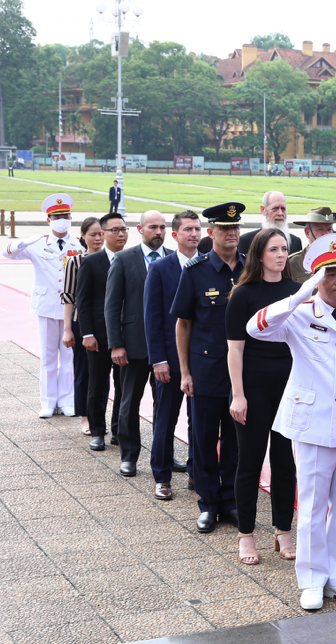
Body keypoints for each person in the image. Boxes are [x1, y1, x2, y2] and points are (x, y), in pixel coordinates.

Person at [247, 233, 336, 610]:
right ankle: (311, 580)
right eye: (331, 274)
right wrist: (298, 295)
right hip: (312, 422)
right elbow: (255, 328)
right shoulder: (298, 314)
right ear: (315, 278)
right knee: (311, 505)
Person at [226, 229, 300, 565]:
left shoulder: (295, 292)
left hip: (289, 386)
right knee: (251, 461)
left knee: (285, 463)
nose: (282, 254)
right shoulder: (243, 295)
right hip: (253, 387)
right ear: (259, 255)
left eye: (285, 249)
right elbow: (235, 351)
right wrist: (238, 395)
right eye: (274, 249)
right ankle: (245, 535)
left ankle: (283, 530)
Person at [172, 202, 245, 533]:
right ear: (211, 232)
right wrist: (185, 372)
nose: (231, 234)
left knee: (235, 441)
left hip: (241, 375)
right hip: (205, 371)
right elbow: (183, 324)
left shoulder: (250, 271)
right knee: (202, 441)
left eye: (235, 228)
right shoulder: (195, 270)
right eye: (225, 229)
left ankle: (230, 501)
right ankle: (208, 504)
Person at [2, 194, 82, 417]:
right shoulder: (37, 244)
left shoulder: (79, 244)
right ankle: (47, 402)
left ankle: (67, 400)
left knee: (69, 358)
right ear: (48, 220)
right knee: (47, 356)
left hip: (71, 309)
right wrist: (23, 242)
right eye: (57, 216)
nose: (61, 219)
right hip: (47, 306)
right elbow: (7, 253)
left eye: (65, 215)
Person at [106, 210, 168, 478]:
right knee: (129, 401)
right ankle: (129, 456)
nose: (158, 232)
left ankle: (162, 454)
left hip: (166, 348)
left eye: (163, 227)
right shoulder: (123, 259)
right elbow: (111, 306)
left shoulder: (174, 259)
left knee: (164, 405)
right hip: (133, 346)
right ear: (140, 229)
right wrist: (116, 344)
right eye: (153, 227)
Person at [144, 210, 200, 500]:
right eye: (188, 229)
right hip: (169, 359)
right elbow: (152, 317)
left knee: (199, 421)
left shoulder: (205, 266)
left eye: (197, 229)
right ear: (175, 235)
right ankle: (162, 476)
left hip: (201, 360)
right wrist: (158, 360)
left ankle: (196, 471)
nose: (194, 234)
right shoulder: (160, 268)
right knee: (165, 419)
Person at [76, 212, 128, 450]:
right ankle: (97, 430)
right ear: (105, 234)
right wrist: (86, 334)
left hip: (126, 335)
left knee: (124, 386)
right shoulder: (91, 262)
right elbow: (83, 301)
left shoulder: (131, 258)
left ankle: (119, 429)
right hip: (98, 335)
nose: (121, 234)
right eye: (115, 230)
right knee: (98, 384)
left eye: (123, 230)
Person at [61, 217, 105, 435]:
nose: (98, 238)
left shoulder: (115, 259)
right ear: (83, 237)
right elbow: (69, 296)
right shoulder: (76, 262)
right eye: (93, 234)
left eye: (101, 233)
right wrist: (68, 329)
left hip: (108, 324)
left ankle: (101, 416)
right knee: (84, 371)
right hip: (83, 323)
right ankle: (85, 416)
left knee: (103, 375)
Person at [237, 191, 303, 255]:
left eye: (283, 209)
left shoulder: (295, 242)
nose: (280, 213)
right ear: (263, 210)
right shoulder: (246, 241)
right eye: (275, 209)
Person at [288, 208, 336, 282]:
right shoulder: (294, 263)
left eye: (329, 229)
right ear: (307, 233)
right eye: (320, 229)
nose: (326, 234)